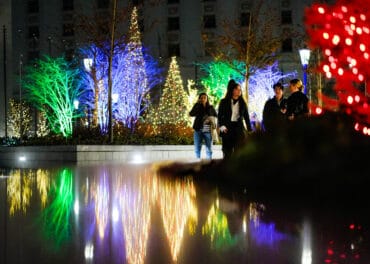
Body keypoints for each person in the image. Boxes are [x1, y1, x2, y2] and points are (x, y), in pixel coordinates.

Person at [218, 79, 252, 159]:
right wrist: (222, 126)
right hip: (227, 128)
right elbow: (219, 116)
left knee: (239, 152)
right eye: (237, 89)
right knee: (227, 152)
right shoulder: (224, 102)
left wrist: (249, 130)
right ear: (232, 90)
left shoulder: (243, 103)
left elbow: (247, 117)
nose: (239, 91)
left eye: (240, 89)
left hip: (238, 129)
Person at [189, 92, 217, 159]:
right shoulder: (197, 106)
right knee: (197, 148)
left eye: (204, 97)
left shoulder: (211, 107)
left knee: (209, 149)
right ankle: (197, 162)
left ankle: (209, 163)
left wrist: (210, 119)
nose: (203, 99)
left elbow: (216, 116)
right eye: (201, 98)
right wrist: (197, 104)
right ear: (199, 99)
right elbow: (191, 114)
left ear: (207, 99)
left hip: (207, 130)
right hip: (198, 129)